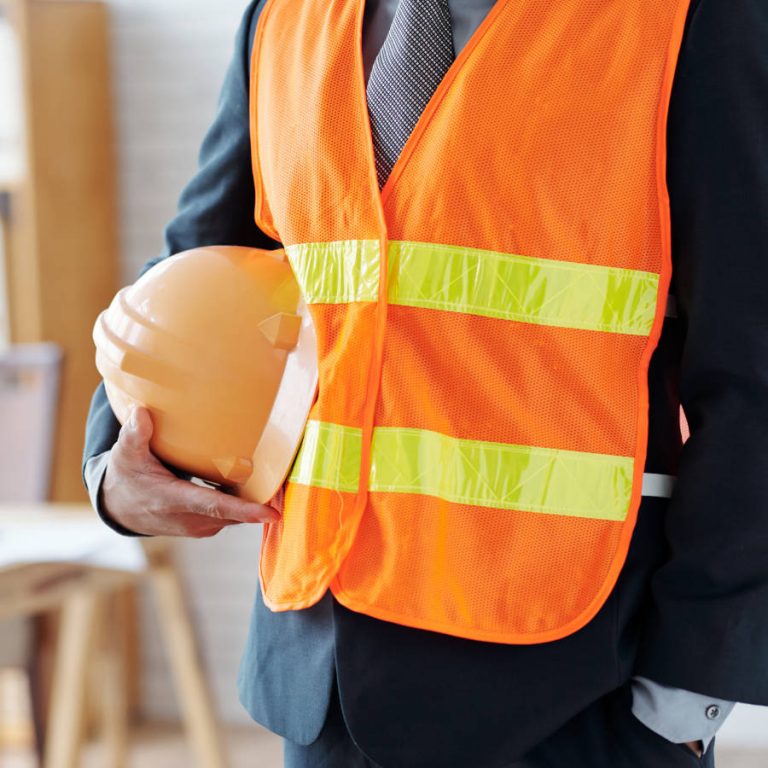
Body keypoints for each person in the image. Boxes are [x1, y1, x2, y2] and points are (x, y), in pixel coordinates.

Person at [83, 1, 768, 766]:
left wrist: (687, 694)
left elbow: (750, 367)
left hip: (575, 686)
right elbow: (197, 266)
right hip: (322, 673)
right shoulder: (285, 17)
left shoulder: (688, 17)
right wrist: (116, 463)